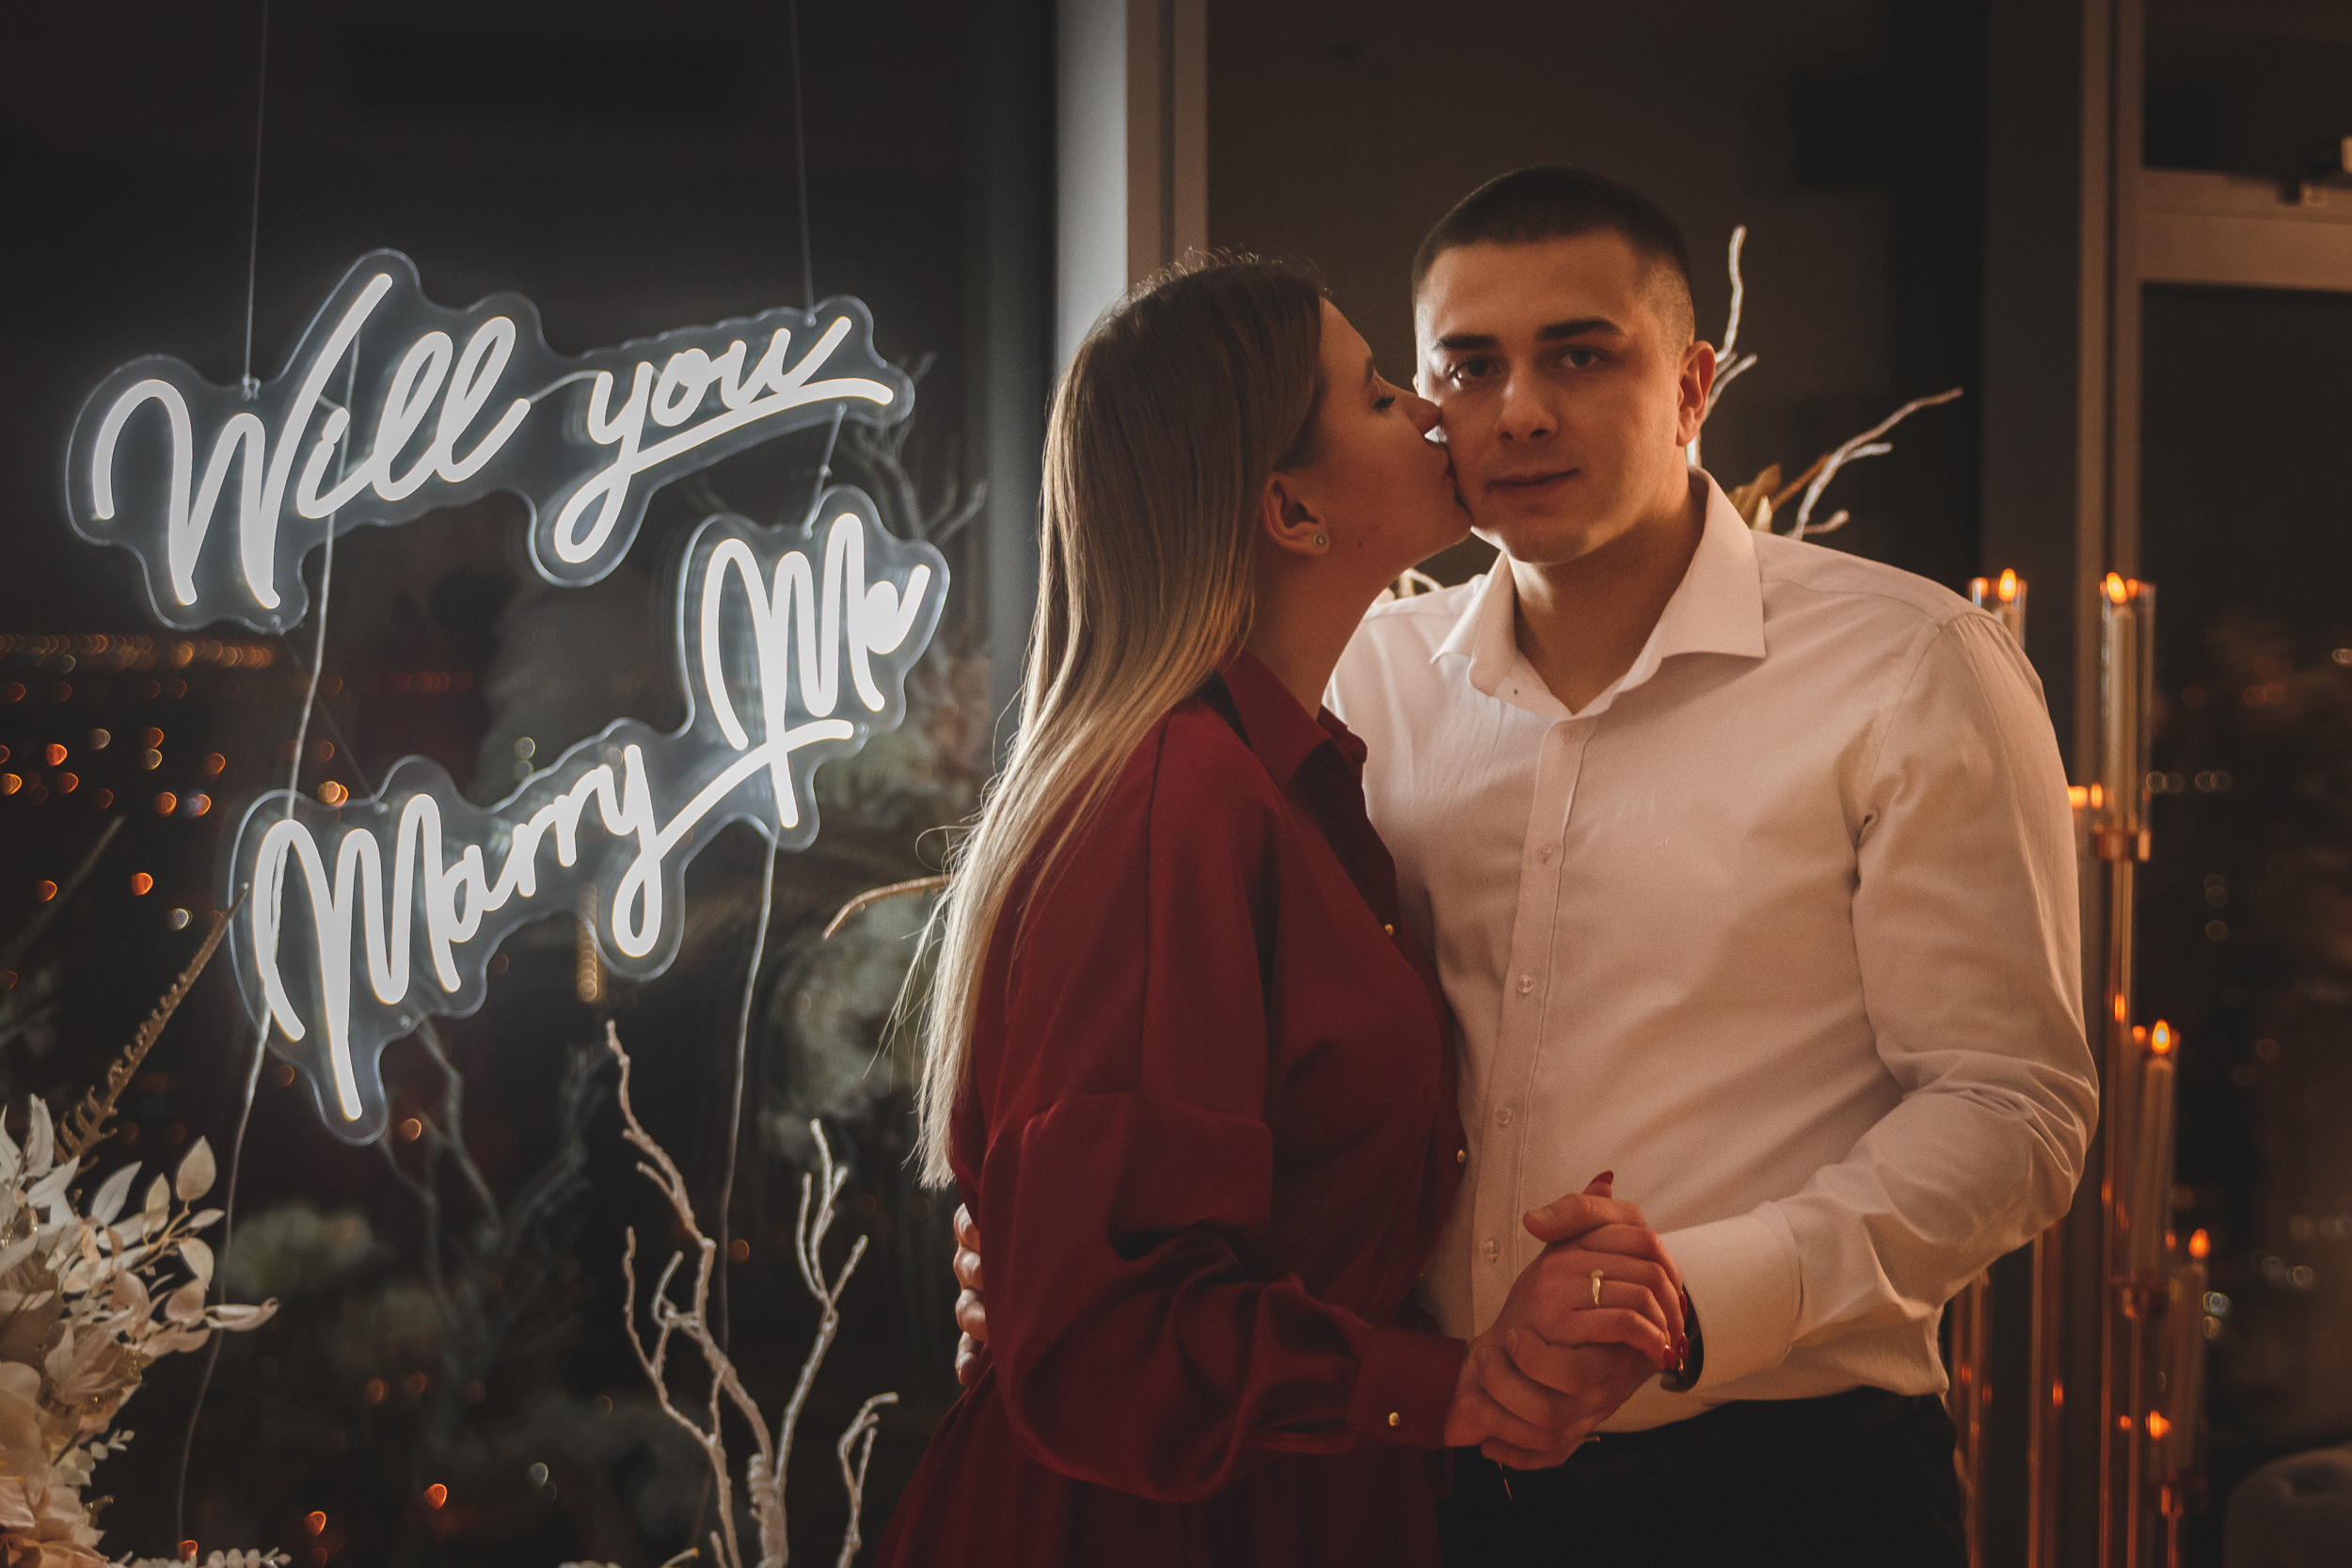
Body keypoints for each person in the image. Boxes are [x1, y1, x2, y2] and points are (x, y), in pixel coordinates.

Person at [948, 167, 2100, 1567]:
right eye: (1462, 368)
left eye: (1579, 354)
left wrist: (1692, 1295)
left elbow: (2012, 1109)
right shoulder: (1347, 683)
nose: (1520, 410)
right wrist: (1065, 1277)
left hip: (1782, 1481)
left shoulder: (1912, 668)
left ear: (1692, 385)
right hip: (1405, 1484)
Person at [874, 257, 1690, 1568]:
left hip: (1282, 1495)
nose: (1436, 412)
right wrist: (1458, 1384)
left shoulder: (1289, 776)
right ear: (1292, 510)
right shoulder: (1178, 800)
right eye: (1379, 395)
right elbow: (1103, 1332)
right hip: (1148, 1526)